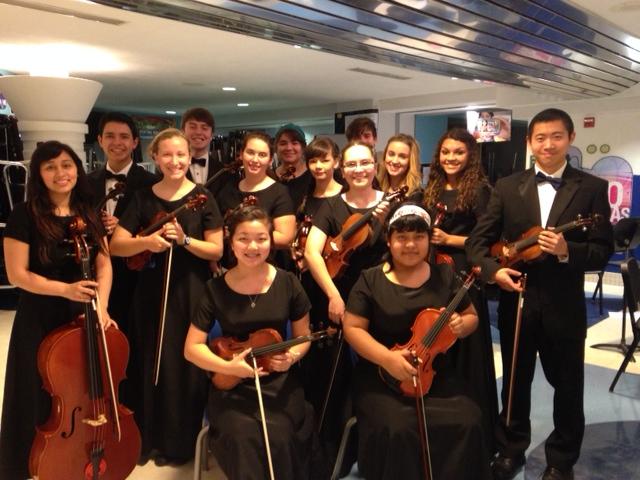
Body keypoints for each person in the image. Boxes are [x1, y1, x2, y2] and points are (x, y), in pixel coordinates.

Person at [466, 108, 613, 480]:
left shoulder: (592, 188)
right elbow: (477, 244)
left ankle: (560, 460)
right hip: (518, 301)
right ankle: (510, 449)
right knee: (515, 383)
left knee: (568, 386)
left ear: (571, 138)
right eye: (540, 138)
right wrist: (494, 271)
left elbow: (602, 250)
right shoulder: (506, 186)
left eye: (556, 137)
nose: (548, 145)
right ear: (530, 143)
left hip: (564, 306)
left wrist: (567, 250)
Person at [343, 202, 491, 479]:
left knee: (468, 420)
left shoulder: (445, 275)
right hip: (380, 374)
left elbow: (471, 317)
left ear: (428, 240)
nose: (410, 245)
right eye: (402, 237)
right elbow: (352, 328)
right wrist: (387, 358)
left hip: (434, 373)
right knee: (398, 427)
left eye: (418, 237)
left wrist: (461, 326)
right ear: (389, 240)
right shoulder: (370, 279)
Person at [0, 141, 115, 479]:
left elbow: (104, 263)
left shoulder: (89, 210)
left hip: (84, 314)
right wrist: (66, 289)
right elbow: (18, 275)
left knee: (79, 387)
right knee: (34, 389)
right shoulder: (24, 216)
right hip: (40, 315)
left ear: (77, 169)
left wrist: (102, 306)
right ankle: (29, 462)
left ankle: (75, 454)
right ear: (38, 173)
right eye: (50, 167)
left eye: (66, 165)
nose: (60, 173)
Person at [109, 128, 224, 465]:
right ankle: (149, 440)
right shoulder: (142, 197)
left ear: (190, 157)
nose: (175, 161)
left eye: (181, 155)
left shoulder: (204, 197)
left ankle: (181, 443)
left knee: (183, 366)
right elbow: (117, 245)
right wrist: (146, 242)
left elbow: (216, 248)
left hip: (190, 292)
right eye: (168, 155)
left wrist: (185, 240)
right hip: (150, 293)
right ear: (155, 157)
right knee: (150, 361)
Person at [184, 205, 315, 480]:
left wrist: (291, 357)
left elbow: (304, 337)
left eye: (261, 238)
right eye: (243, 238)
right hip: (232, 385)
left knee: (279, 434)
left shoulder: (289, 282)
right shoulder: (215, 289)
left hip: (278, 382)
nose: (252, 246)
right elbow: (192, 349)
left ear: (271, 240)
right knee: (242, 436)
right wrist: (230, 368)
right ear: (231, 242)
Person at [304, 140, 390, 470]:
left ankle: (376, 451)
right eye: (352, 164)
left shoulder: (390, 204)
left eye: (364, 163)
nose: (358, 170)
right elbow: (313, 252)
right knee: (336, 377)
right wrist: (333, 295)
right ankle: (337, 454)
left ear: (374, 165)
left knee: (377, 373)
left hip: (381, 299)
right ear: (343, 168)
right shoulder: (331, 205)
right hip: (341, 294)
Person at [423, 127, 498, 455]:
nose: (451, 158)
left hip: (463, 274)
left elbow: (490, 241)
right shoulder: (432, 189)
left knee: (466, 349)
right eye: (446, 152)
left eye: (458, 152)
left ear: (470, 156)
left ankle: (473, 431)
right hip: (434, 274)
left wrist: (449, 240)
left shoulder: (480, 191)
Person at [88, 111, 158, 337]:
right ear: (100, 140)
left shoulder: (152, 183)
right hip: (94, 273)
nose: (117, 142)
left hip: (137, 275)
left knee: (136, 339)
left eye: (124, 136)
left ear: (135, 142)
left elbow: (158, 227)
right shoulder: (85, 183)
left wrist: (125, 228)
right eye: (110, 136)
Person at [293, 137, 343, 414]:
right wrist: (296, 252)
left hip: (333, 279)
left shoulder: (344, 196)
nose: (319, 166)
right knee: (306, 341)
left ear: (336, 161)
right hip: (305, 279)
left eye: (324, 160)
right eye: (313, 160)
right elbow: (297, 234)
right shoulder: (304, 194)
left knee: (331, 350)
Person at [215, 131, 296, 251]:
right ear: (241, 154)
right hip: (231, 263)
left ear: (270, 160)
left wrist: (241, 235)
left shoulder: (279, 192)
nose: (255, 159)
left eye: (262, 155)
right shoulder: (228, 189)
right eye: (250, 152)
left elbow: (285, 237)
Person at [182, 107, 228, 195]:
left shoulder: (223, 171)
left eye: (204, 128)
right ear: (183, 131)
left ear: (211, 135)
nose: (198, 132)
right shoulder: (173, 169)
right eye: (193, 127)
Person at [274, 123, 312, 210]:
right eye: (283, 143)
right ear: (276, 147)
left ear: (303, 147)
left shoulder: (313, 176)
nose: (289, 148)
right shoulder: (269, 176)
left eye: (295, 143)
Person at [377, 133, 423, 202]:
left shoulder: (416, 195)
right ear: (384, 156)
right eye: (391, 154)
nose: (395, 161)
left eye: (402, 156)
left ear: (411, 162)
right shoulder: (376, 188)